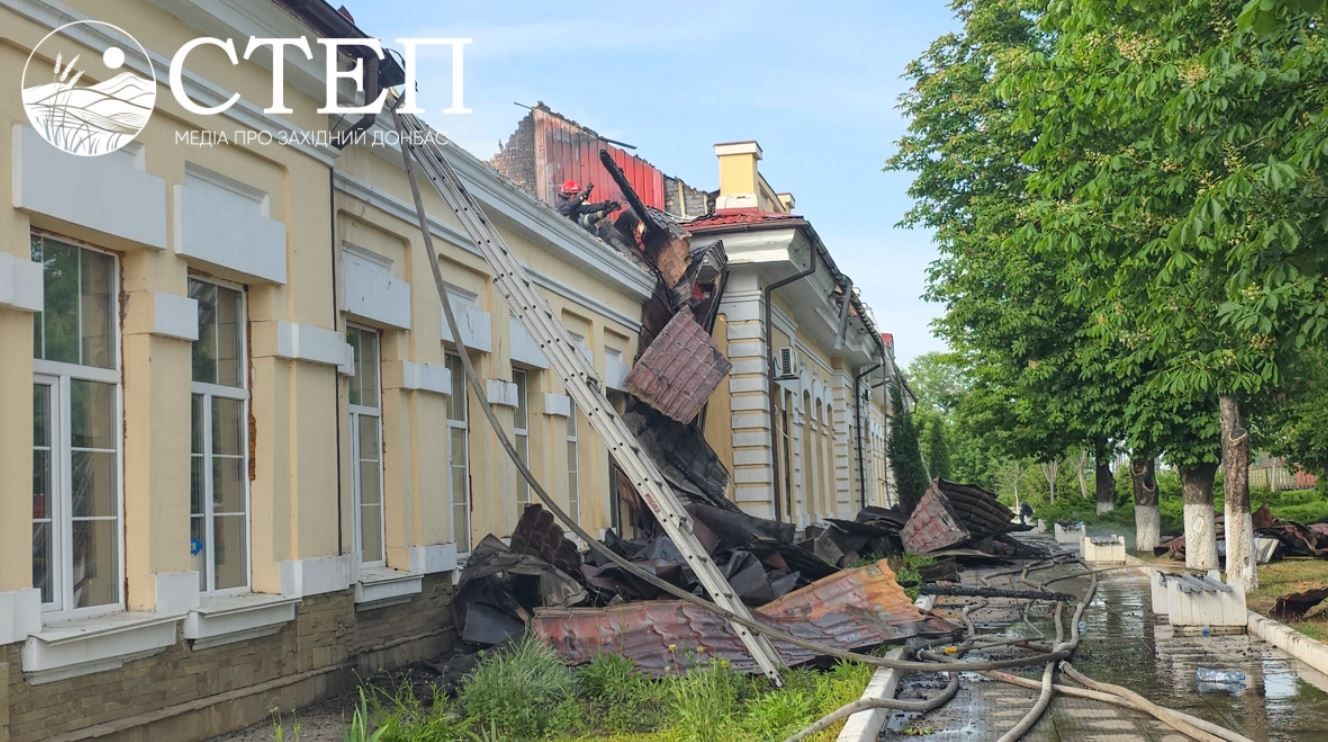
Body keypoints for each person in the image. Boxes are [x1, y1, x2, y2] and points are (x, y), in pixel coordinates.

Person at [555, 179, 619, 227]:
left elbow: (588, 208)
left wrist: (605, 206)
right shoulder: (560, 205)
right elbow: (568, 207)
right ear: (567, 194)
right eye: (575, 194)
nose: (576, 196)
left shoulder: (574, 207)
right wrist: (583, 196)